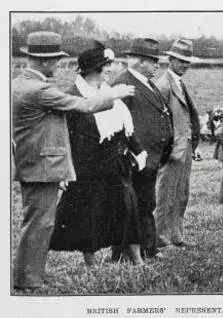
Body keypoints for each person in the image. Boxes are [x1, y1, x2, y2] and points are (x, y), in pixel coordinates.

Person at [12, 31, 134, 290]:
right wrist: (116, 93)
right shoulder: (40, 90)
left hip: (36, 164)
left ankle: (34, 273)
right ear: (44, 61)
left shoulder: (19, 84)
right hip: (41, 167)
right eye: (56, 59)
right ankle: (28, 279)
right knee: (38, 223)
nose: (58, 64)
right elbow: (86, 106)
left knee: (40, 222)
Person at [49, 43, 146, 266]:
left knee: (129, 209)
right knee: (88, 216)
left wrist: (138, 151)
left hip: (117, 165)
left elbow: (124, 127)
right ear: (94, 69)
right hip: (88, 169)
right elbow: (64, 138)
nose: (110, 70)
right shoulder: (73, 96)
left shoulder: (108, 92)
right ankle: (91, 263)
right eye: (107, 66)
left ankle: (137, 259)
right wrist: (64, 169)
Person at [110, 37, 173, 261]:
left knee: (145, 203)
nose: (157, 65)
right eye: (152, 60)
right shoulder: (123, 84)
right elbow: (116, 122)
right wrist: (131, 152)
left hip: (150, 157)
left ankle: (148, 248)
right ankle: (128, 253)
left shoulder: (146, 82)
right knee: (132, 205)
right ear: (139, 61)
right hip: (135, 158)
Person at [152, 39, 201, 248]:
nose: (185, 66)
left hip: (185, 148)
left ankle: (176, 236)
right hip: (172, 150)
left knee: (181, 194)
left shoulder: (179, 83)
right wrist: (167, 148)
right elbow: (159, 121)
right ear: (170, 60)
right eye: (181, 61)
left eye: (187, 62)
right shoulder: (163, 85)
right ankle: (160, 238)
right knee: (165, 195)